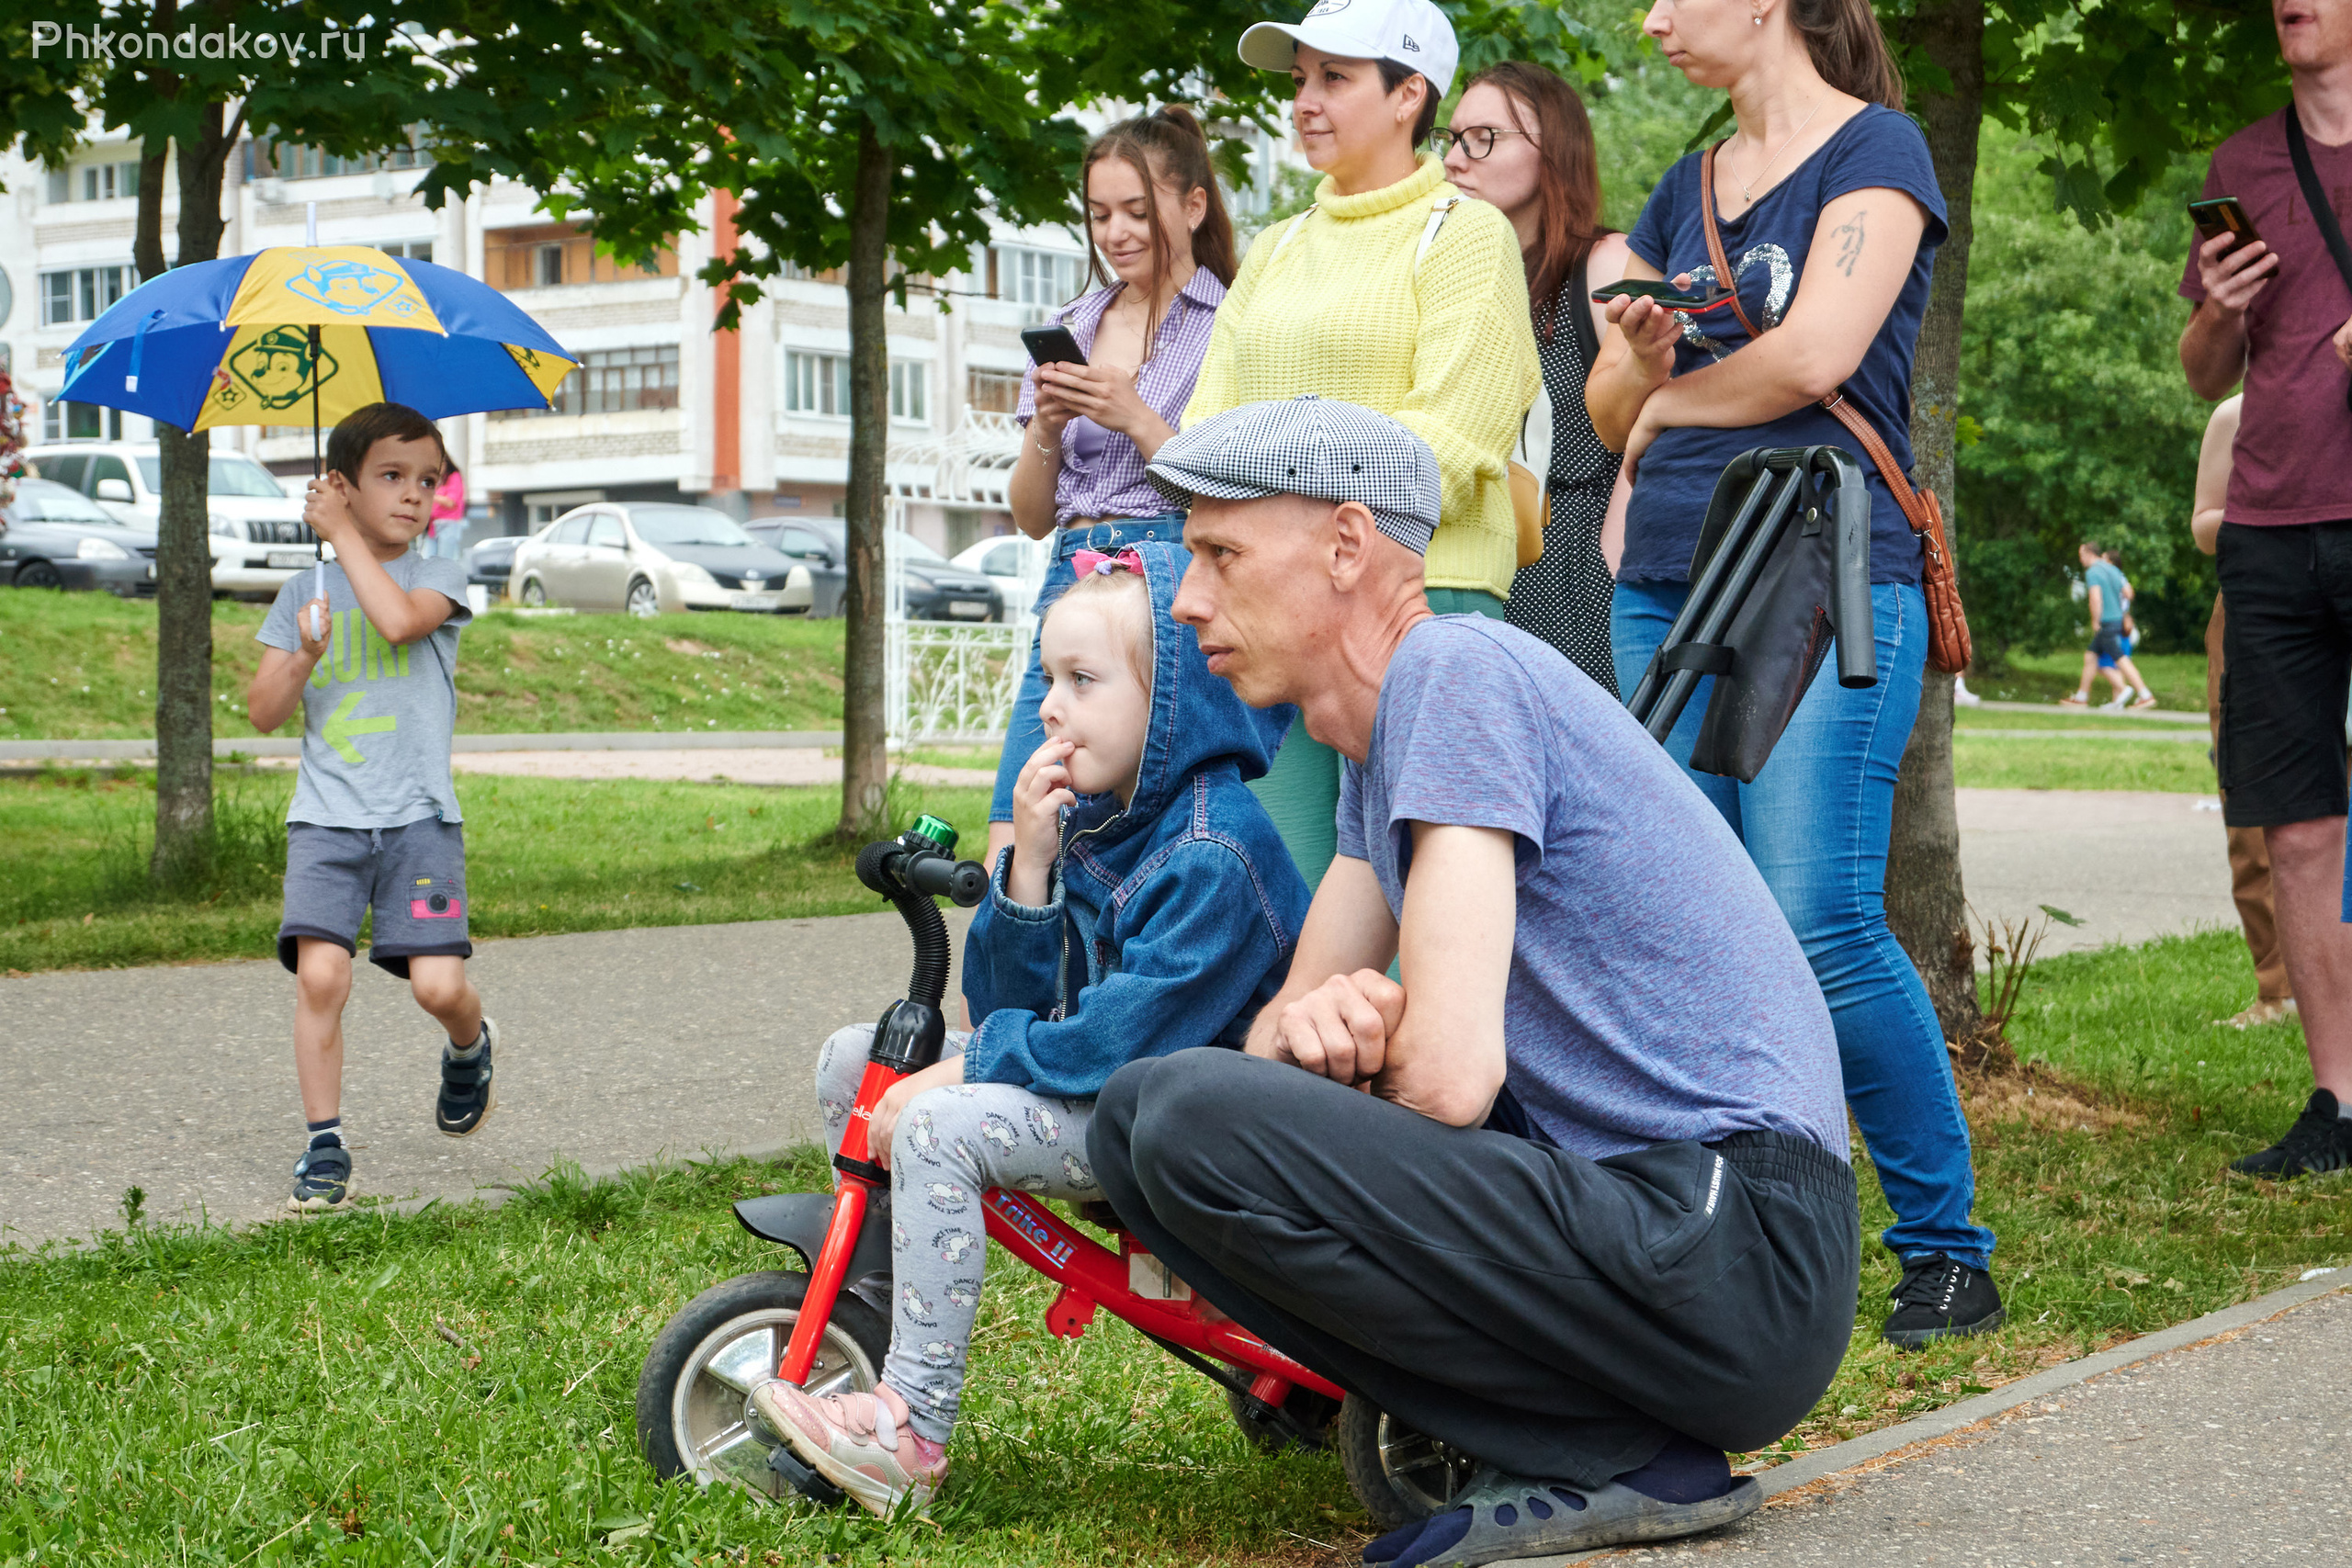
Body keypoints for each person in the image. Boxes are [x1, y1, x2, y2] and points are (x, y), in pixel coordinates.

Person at [1088, 398, 1857, 1562]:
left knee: (1183, 1113)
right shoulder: (1379, 741)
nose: (1189, 598)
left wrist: (1342, 1046)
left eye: (1219, 553)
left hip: (1736, 1244)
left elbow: (1447, 1078)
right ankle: (1573, 1443)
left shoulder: (1455, 671)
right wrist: (1316, 1036)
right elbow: (1267, 1062)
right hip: (1667, 1242)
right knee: (1140, 1120)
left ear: (1347, 546)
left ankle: (1613, 1455)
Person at [1582, 0, 2004, 1345]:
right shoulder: (1681, 186)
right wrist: (1636, 375)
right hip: (1665, 580)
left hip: (1823, 569)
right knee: (1689, 928)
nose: (1649, 18)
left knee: (1817, 918)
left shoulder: (1879, 151)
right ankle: (1723, 1233)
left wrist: (1664, 398)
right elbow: (1602, 410)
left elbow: (1821, 353)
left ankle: (1948, 1246)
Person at [753, 542, 1308, 1517]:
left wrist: (962, 1083)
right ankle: (878, 1333)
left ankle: (912, 1432)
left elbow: (1109, 1049)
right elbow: (1001, 1010)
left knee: (932, 1122)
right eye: (1050, 677)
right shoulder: (1100, 819)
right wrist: (1031, 872)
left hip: (1173, 1135)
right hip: (1094, 1094)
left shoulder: (1215, 854)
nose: (1050, 705)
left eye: (1082, 681)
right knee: (861, 1064)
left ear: (1172, 705)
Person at [1185, 0, 1541, 888]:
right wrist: (1281, 545)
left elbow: (1452, 444)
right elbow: (1203, 433)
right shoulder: (1275, 248)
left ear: (1409, 94)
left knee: (1421, 894)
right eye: (1301, 78)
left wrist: (1279, 518)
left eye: (1335, 78)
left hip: (1422, 598)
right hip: (1276, 602)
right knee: (1294, 887)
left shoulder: (1466, 235)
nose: (1305, 100)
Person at [2177, 0, 2352, 1179]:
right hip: (2271, 524)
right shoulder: (2242, 162)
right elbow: (2201, 374)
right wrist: (2225, 308)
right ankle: (2337, 1103)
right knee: (2292, 822)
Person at [246, 403, 495, 1213]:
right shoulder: (303, 594)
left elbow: (393, 621)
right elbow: (263, 711)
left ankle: (470, 1044)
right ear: (343, 485)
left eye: (428, 480)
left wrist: (338, 533)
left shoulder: (439, 578)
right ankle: (324, 1146)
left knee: (436, 986)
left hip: (419, 819)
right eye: (391, 476)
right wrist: (304, 655)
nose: (414, 495)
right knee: (322, 974)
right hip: (327, 817)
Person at [988, 106, 1238, 875]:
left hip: (1163, 575)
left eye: (1137, 210)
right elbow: (1029, 515)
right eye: (1099, 214)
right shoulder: (1074, 322)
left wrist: (1133, 415)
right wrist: (1051, 426)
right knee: (1023, 807)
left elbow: (1220, 488)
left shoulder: (1231, 324)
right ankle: (1006, 991)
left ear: (1193, 206)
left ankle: (1120, 987)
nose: (1117, 232)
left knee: (1137, 820)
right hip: (1070, 572)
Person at [1440, 61, 1635, 694]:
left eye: (1484, 137)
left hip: (1581, 573)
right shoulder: (1454, 283)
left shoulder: (1603, 266)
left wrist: (1618, 566)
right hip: (1472, 569)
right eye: (1452, 136)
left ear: (1553, 148)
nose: (1456, 157)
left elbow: (1667, 421)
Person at [2193, 396, 2298, 1029]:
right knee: (2252, 807)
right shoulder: (2235, 413)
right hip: (2254, 612)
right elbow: (2205, 524)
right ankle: (2277, 990)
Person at [2064, 541, 2155, 710]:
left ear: (2090, 554)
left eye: (2082, 555)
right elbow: (2128, 592)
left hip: (2106, 621)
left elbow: (2095, 597)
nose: (2081, 559)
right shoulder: (2113, 569)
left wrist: (2095, 620)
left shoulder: (2093, 572)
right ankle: (2081, 697)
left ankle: (2144, 694)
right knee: (2091, 657)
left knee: (2120, 659)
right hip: (2117, 620)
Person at [427, 463, 467, 559]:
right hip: (433, 524)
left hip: (448, 523)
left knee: (445, 558)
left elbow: (451, 502)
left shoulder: (454, 477)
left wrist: (430, 495)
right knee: (427, 558)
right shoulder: (436, 479)